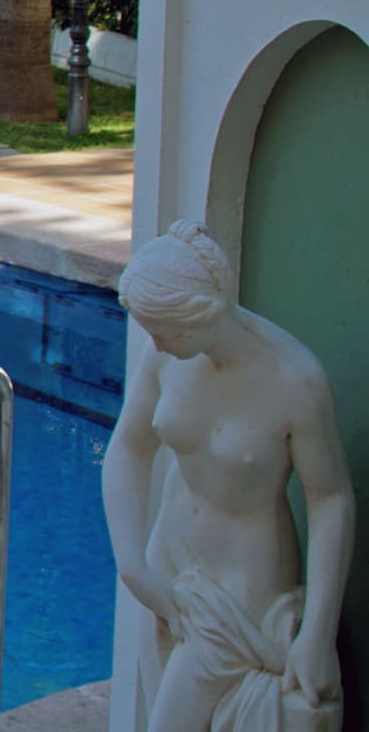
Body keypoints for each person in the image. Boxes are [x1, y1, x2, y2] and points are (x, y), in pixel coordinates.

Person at [103, 220, 354, 731]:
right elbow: (129, 446)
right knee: (159, 699)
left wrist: (317, 632)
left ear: (196, 315)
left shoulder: (295, 382)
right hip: (169, 567)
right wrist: (132, 564)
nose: (155, 343)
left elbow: (331, 499)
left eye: (162, 331)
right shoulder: (168, 356)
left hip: (240, 595)